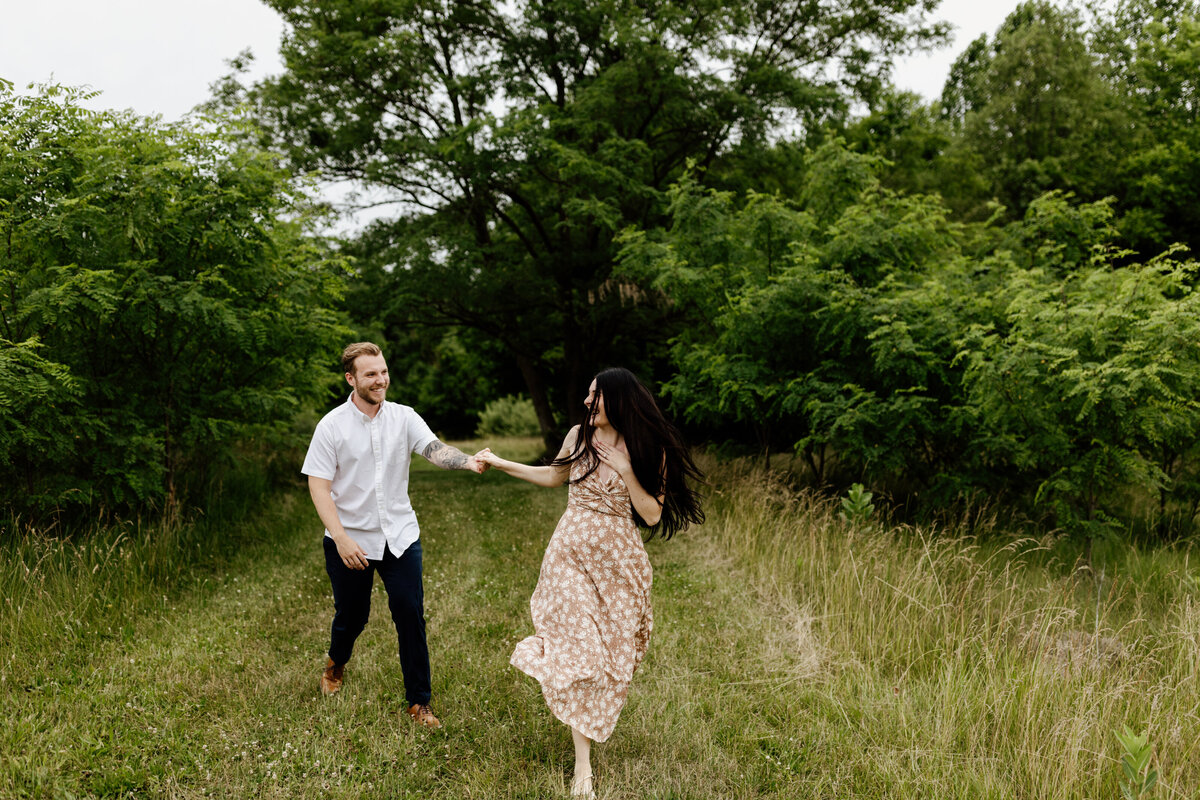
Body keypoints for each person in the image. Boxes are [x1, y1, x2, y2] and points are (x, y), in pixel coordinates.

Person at [478, 367, 704, 798]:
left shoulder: (646, 447)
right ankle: (583, 766)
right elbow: (552, 476)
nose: (586, 402)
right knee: (580, 648)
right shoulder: (578, 437)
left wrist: (624, 467)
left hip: (618, 563)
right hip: (569, 555)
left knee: (608, 658)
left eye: (594, 396)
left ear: (617, 400)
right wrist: (499, 461)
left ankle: (588, 725)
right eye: (587, 395)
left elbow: (652, 514)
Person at [301, 342, 488, 729]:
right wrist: (340, 536)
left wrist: (467, 461)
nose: (380, 380)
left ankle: (419, 702)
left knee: (410, 615)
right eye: (370, 374)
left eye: (383, 371)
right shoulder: (331, 426)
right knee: (352, 617)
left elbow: (433, 449)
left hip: (400, 538)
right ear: (351, 378)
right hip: (349, 541)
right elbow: (318, 486)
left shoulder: (404, 417)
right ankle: (336, 664)